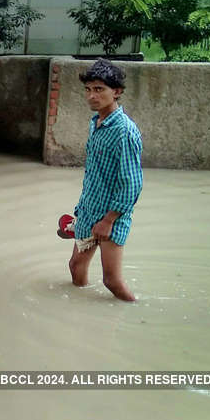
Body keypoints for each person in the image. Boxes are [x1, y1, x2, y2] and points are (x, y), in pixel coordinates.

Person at [67, 58, 142, 301]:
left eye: (99, 89)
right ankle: (79, 313)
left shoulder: (124, 131)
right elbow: (95, 172)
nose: (91, 96)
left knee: (111, 282)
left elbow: (132, 184)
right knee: (76, 267)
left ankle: (137, 313)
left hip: (112, 218)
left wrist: (108, 221)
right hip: (89, 211)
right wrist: (81, 211)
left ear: (117, 92)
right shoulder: (96, 122)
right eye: (88, 89)